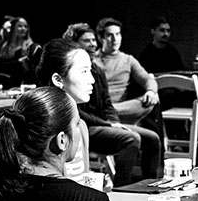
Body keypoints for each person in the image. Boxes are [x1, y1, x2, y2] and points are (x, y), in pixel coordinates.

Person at [64, 24, 159, 185]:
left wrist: (114, 122)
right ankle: (123, 186)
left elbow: (107, 103)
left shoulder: (98, 71)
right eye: (87, 41)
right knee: (131, 138)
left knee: (152, 138)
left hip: (104, 124)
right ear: (74, 44)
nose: (93, 44)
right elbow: (77, 112)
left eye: (94, 39)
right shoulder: (71, 72)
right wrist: (109, 124)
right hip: (85, 127)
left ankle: (149, 183)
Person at [36, 37, 99, 180]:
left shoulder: (81, 126)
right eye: (84, 72)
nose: (92, 80)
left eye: (90, 70)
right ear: (58, 80)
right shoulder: (42, 132)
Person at [92, 17, 159, 125]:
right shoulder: (92, 60)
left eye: (118, 34)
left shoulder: (128, 60)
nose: (115, 39)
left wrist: (150, 91)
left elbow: (146, 79)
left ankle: (110, 112)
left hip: (122, 107)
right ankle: (107, 113)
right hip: (100, 104)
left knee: (151, 100)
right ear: (100, 38)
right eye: (110, 35)